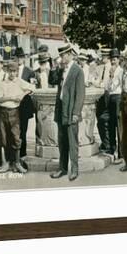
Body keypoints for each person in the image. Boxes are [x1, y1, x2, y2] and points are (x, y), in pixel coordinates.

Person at [49, 44, 86, 181]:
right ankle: (62, 168)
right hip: (61, 111)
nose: (61, 58)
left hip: (71, 112)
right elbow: (51, 81)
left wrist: (76, 112)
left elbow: (80, 94)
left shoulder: (77, 71)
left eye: (63, 55)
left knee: (72, 142)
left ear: (70, 54)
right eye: (60, 56)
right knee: (62, 142)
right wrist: (54, 67)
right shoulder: (61, 70)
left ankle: (74, 169)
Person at [0, 61, 35, 174]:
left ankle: (17, 163)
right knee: (4, 139)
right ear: (7, 71)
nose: (12, 74)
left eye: (14, 71)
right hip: (3, 113)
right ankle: (7, 163)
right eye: (10, 71)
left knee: (16, 138)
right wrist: (13, 97)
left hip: (14, 113)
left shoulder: (20, 82)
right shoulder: (2, 83)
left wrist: (22, 95)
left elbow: (32, 88)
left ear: (17, 72)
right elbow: (0, 99)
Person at [14, 47, 36, 158]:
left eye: (21, 57)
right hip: (12, 104)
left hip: (24, 104)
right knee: (13, 130)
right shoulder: (11, 70)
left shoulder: (29, 71)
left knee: (23, 130)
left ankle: (22, 154)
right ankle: (14, 154)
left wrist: (23, 93)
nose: (19, 59)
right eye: (17, 57)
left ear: (24, 58)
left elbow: (32, 88)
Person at [103, 48, 123, 163]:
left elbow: (114, 86)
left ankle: (121, 153)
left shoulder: (120, 71)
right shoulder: (110, 70)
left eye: (115, 59)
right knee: (110, 124)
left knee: (118, 125)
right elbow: (106, 86)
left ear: (119, 60)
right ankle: (111, 148)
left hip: (117, 98)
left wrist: (111, 77)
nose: (113, 61)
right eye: (112, 59)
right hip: (110, 98)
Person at [93, 48, 112, 152]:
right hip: (100, 96)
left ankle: (108, 144)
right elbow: (95, 79)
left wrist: (97, 83)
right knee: (99, 120)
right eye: (102, 56)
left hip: (107, 96)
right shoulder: (100, 68)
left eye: (105, 56)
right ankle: (104, 143)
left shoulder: (111, 68)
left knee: (104, 121)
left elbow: (106, 84)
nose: (103, 58)